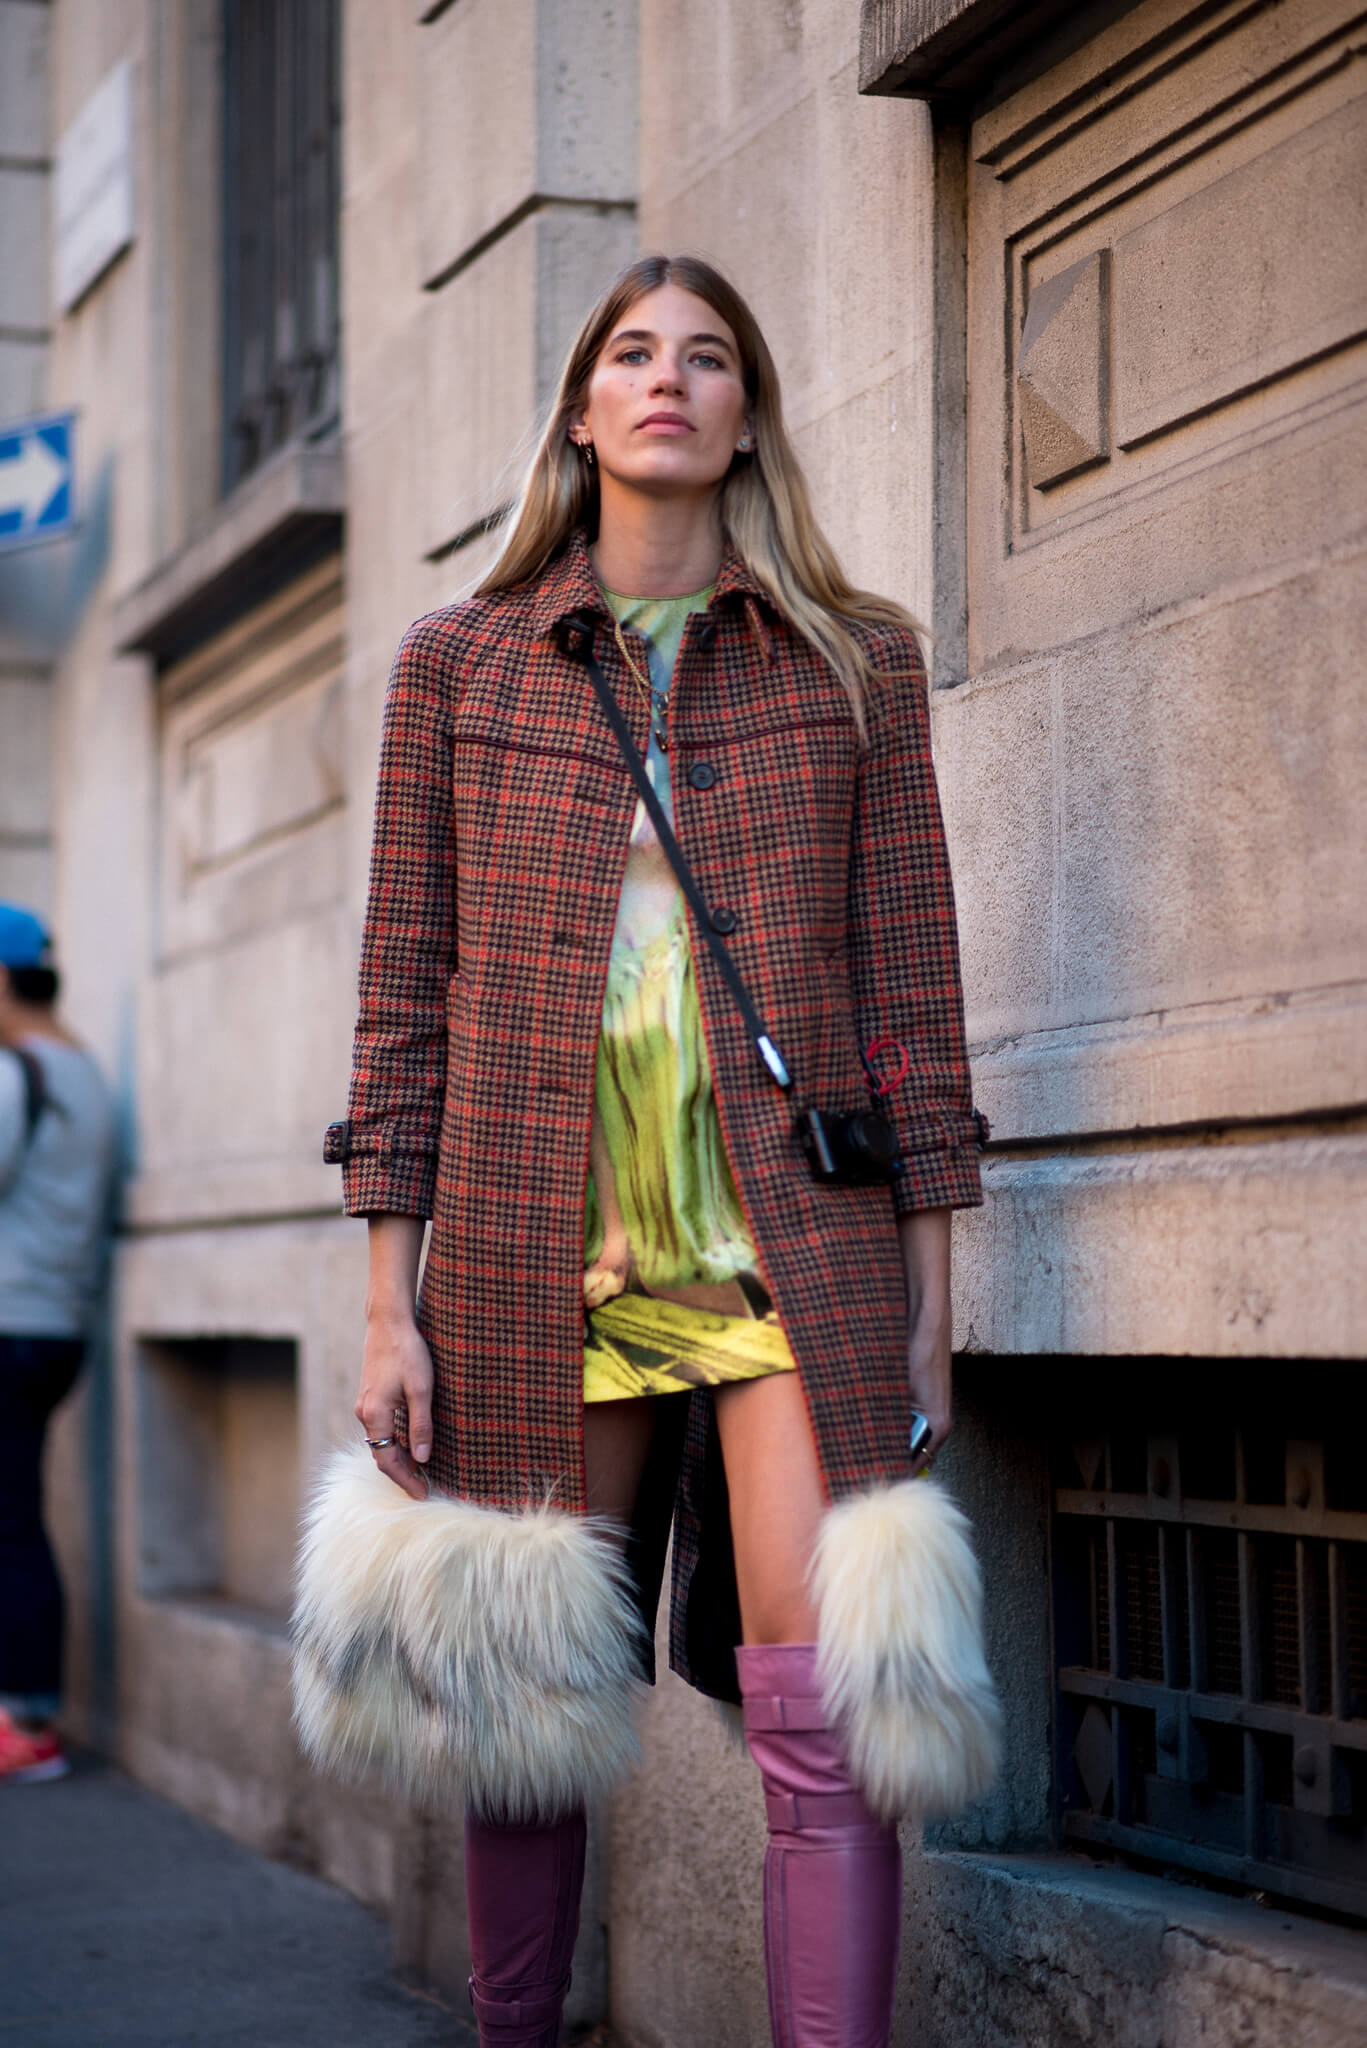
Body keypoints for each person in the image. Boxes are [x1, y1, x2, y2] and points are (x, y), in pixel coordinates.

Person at [316, 255, 993, 2047]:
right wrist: (390, 1304)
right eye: (632, 353)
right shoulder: (461, 663)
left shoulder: (854, 662)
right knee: (527, 1702)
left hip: (792, 1247)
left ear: (748, 412)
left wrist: (932, 1299)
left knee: (817, 1703)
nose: (668, 380)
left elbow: (912, 989)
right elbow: (403, 998)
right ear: (580, 409)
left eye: (707, 358)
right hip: (545, 1247)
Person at [0, 905, 115, 1784]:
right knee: (19, 1523)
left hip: (9, 1326)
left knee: (10, 1528)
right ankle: (28, 1715)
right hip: (57, 1327)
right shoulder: (86, 1073)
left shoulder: (13, 1073)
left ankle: (26, 1725)